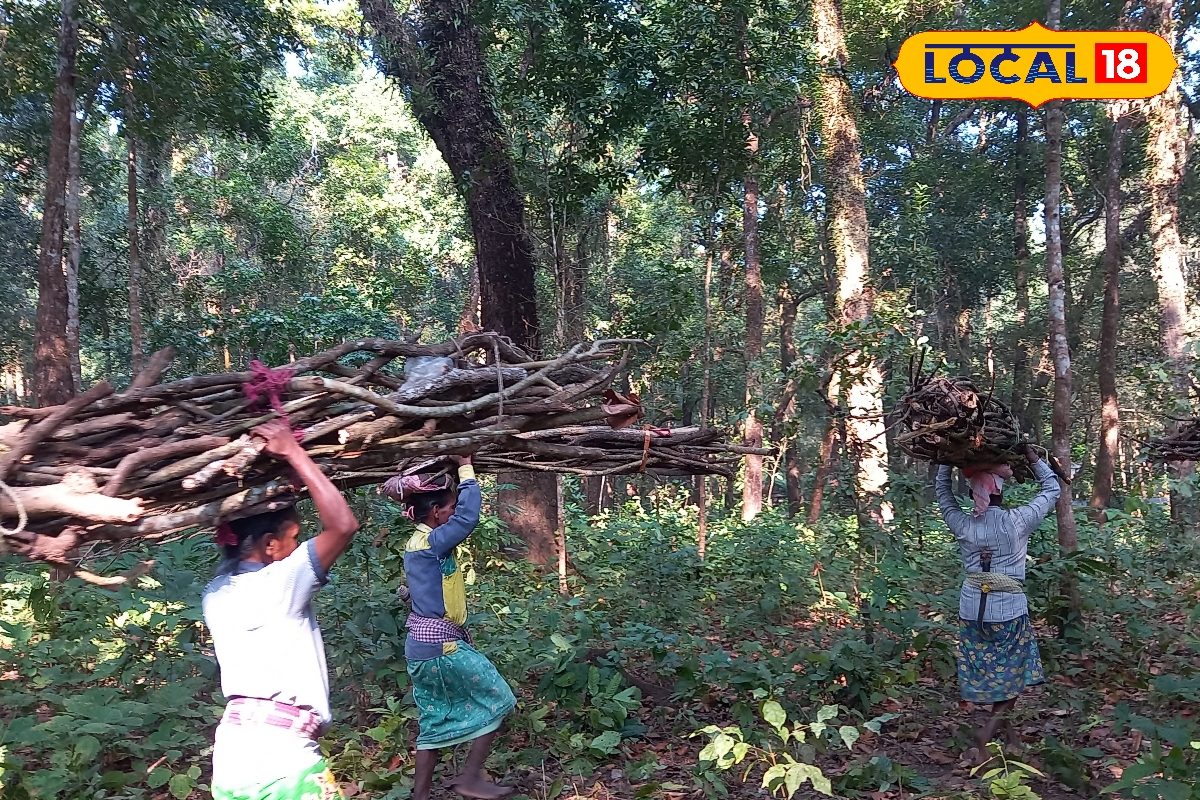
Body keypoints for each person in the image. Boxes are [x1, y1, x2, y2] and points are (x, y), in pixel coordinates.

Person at [203, 420, 360, 800]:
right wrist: (293, 451)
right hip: (282, 759)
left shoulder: (215, 591)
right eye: (293, 537)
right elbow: (342, 525)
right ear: (270, 545)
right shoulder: (279, 584)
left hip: (233, 758)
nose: (299, 545)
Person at [381, 456, 515, 800]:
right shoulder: (432, 542)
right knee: (499, 698)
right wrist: (466, 469)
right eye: (451, 507)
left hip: (422, 647)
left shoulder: (418, 544)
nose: (455, 513)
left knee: (435, 720)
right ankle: (469, 778)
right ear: (437, 513)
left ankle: (420, 796)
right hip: (441, 648)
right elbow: (469, 517)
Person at [934, 444, 1060, 764]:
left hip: (971, 612)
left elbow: (943, 495)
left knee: (994, 670)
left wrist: (944, 464)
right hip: (1008, 611)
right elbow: (1052, 488)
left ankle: (1011, 735)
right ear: (999, 492)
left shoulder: (963, 524)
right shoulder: (1017, 521)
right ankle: (985, 734)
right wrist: (1033, 459)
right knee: (1015, 672)